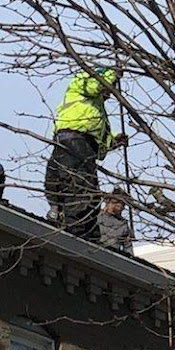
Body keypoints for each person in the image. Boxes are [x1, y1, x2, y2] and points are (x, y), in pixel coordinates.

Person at [43, 67, 126, 239]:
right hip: (75, 143)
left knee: (83, 193)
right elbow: (94, 85)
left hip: (80, 147)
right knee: (80, 191)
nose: (109, 94)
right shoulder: (80, 84)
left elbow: (101, 148)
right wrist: (113, 74)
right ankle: (76, 231)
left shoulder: (96, 112)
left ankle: (70, 221)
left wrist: (115, 142)